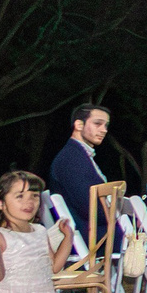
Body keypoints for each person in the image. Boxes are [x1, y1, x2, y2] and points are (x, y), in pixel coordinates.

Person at [48, 103, 115, 241]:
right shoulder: (71, 159)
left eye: (106, 125)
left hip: (97, 232)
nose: (104, 130)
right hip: (94, 236)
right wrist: (123, 217)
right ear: (79, 125)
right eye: (98, 124)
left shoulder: (77, 155)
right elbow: (91, 209)